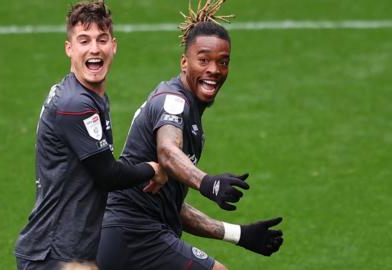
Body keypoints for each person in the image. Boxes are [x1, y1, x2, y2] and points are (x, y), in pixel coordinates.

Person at [97, 1, 284, 269]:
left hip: (127, 236)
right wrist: (209, 183)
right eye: (204, 60)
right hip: (134, 234)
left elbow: (171, 206)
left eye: (223, 62)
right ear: (184, 62)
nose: (214, 70)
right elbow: (168, 151)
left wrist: (239, 235)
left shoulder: (191, 115)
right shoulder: (173, 102)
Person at [14, 1, 167, 269]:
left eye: (102, 40)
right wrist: (153, 168)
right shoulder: (75, 105)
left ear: (114, 46)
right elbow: (108, 175)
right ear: (69, 49)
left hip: (68, 251)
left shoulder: (86, 94)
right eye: (84, 41)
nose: (94, 48)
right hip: (53, 255)